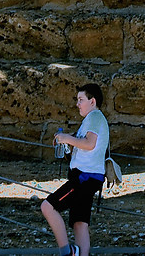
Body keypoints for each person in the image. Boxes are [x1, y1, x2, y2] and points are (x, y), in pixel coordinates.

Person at [40, 83, 109, 256]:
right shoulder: (92, 119)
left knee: (48, 207)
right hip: (90, 177)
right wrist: (68, 145)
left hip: (83, 178)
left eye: (80, 100)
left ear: (92, 101)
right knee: (80, 222)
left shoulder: (94, 117)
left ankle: (67, 252)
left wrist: (66, 138)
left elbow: (89, 144)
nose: (77, 104)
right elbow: (86, 145)